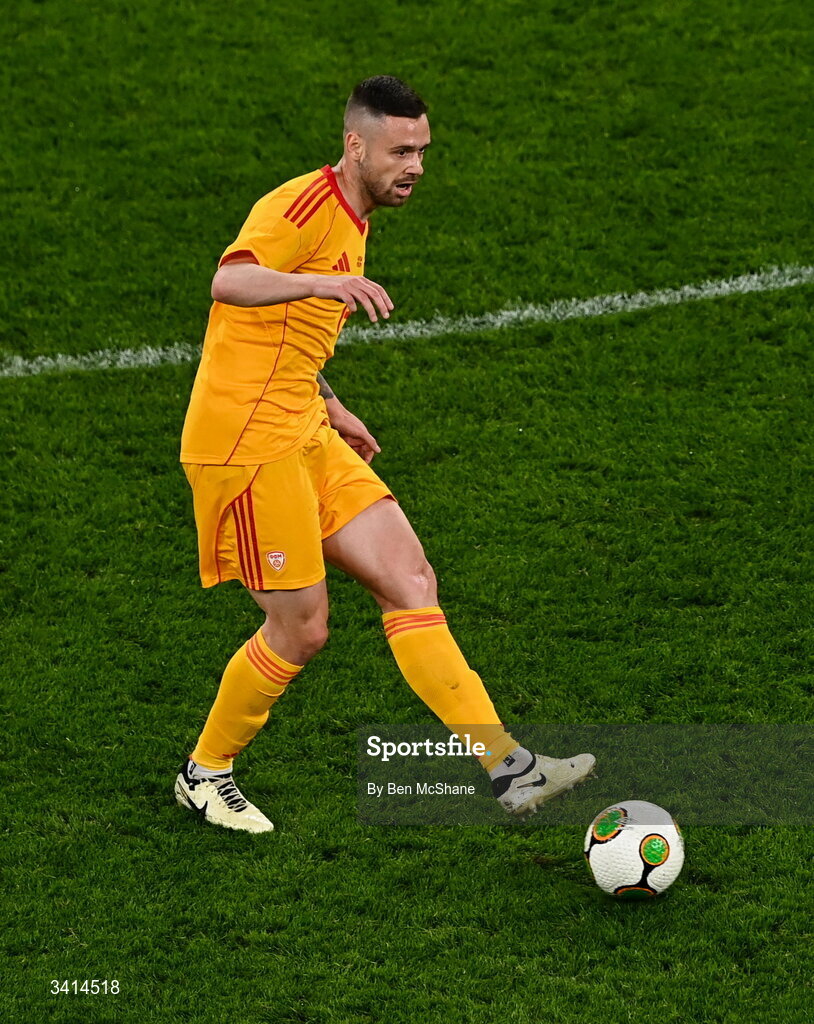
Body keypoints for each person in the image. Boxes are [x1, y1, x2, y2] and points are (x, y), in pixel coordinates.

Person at [175, 75, 595, 833]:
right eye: (401, 150)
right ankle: (205, 773)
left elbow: (289, 335)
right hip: (243, 444)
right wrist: (319, 282)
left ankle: (509, 768)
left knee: (409, 576)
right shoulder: (302, 207)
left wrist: (333, 405)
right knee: (302, 629)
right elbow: (229, 280)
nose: (416, 166)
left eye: (423, 151)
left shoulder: (357, 213)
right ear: (355, 145)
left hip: (303, 425)